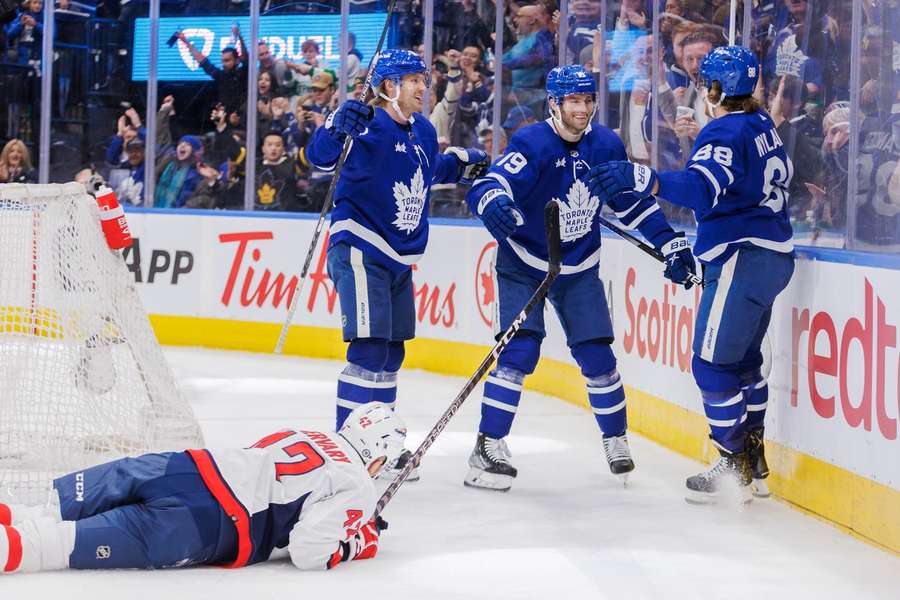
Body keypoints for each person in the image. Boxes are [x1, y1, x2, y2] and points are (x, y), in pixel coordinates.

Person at [463, 65, 696, 492]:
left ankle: (616, 439)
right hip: (524, 262)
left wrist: (669, 241)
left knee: (598, 357)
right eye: (574, 101)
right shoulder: (532, 142)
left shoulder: (605, 144)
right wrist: (492, 203)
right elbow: (490, 184)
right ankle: (488, 444)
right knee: (519, 352)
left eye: (589, 100)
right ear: (554, 103)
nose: (583, 109)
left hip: (578, 265)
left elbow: (630, 204)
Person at [586, 46, 795, 503]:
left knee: (710, 363)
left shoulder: (723, 131)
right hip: (772, 256)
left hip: (741, 255)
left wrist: (641, 178)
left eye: (706, 81)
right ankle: (753, 457)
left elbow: (701, 189)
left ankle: (732, 461)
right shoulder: (761, 125)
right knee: (742, 363)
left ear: (716, 88)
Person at [303, 49, 489, 479]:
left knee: (391, 352)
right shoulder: (363, 123)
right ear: (389, 86)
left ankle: (381, 444)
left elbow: (424, 169)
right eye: (414, 81)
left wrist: (461, 164)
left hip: (400, 257)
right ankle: (349, 452)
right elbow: (320, 158)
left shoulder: (423, 129)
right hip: (362, 247)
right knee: (367, 350)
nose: (424, 88)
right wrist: (334, 125)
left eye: (424, 80)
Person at [0, 402, 405, 574]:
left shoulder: (304, 432)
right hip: (208, 523)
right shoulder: (358, 483)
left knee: (48, 501)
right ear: (377, 458)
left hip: (185, 465)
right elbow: (308, 551)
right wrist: (356, 542)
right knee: (52, 545)